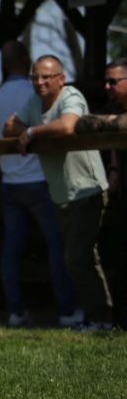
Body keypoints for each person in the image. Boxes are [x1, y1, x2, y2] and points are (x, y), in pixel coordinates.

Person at [3, 55, 113, 330]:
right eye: (35, 77)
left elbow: (67, 125)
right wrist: (32, 131)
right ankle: (101, 319)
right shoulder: (35, 102)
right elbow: (8, 127)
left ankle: (100, 318)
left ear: (61, 79)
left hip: (87, 190)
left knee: (76, 260)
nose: (39, 82)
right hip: (60, 194)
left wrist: (31, 132)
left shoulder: (70, 96)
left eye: (45, 77)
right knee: (86, 259)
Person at [0, 40, 80, 328]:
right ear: (27, 61)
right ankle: (66, 309)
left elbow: (5, 129)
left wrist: (26, 131)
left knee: (11, 248)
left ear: (4, 64)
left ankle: (16, 310)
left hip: (10, 180)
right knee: (56, 244)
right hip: (40, 178)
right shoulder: (35, 92)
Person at [75, 57, 127, 329]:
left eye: (113, 81)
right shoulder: (113, 108)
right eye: (106, 81)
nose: (107, 86)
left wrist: (109, 122)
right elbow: (83, 123)